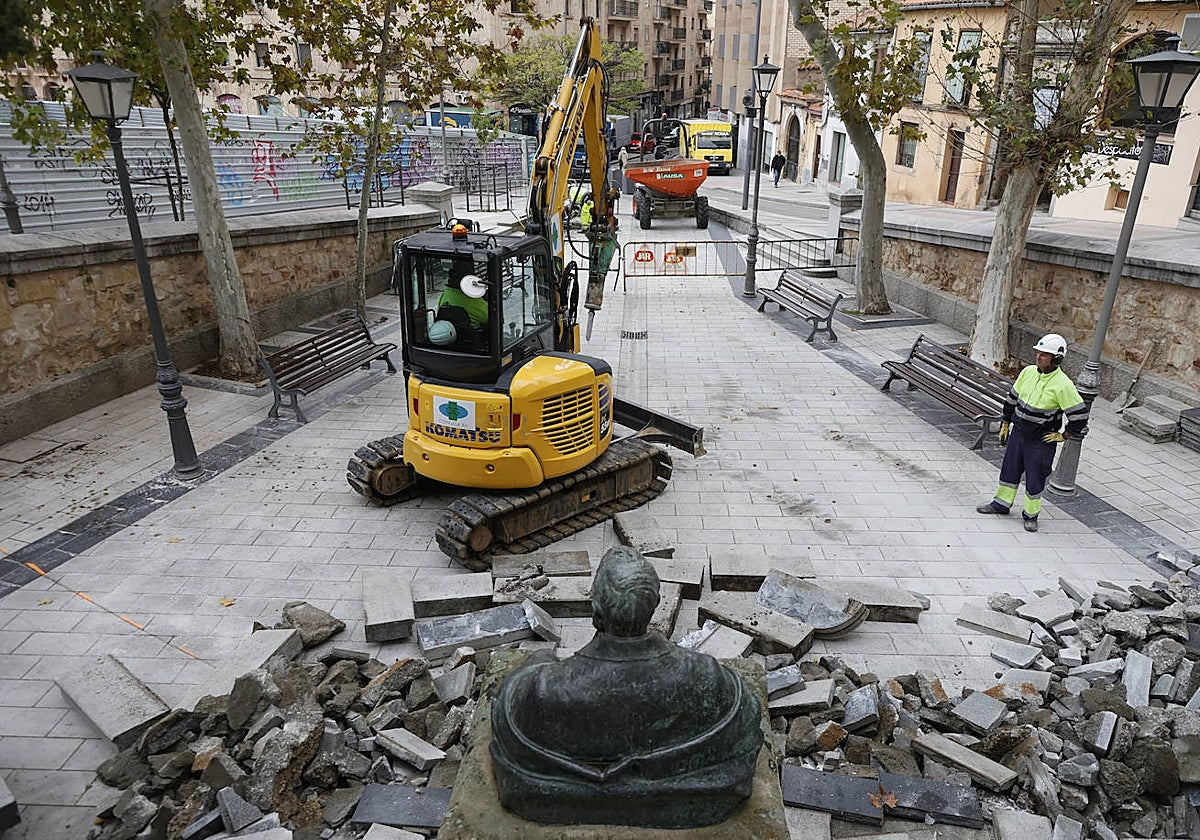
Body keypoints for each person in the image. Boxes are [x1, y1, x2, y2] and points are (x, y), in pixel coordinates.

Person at [489, 546, 763, 828]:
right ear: (654, 604)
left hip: (553, 801)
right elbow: (749, 719)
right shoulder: (708, 677)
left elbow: (505, 712)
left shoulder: (543, 687)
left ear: (596, 608)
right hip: (693, 802)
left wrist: (540, 658)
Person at [976, 333, 1090, 532]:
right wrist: (1005, 422)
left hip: (1041, 440)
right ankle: (1001, 504)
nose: (1039, 357)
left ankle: (1030, 515)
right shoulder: (1028, 372)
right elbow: (1012, 399)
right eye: (1038, 353)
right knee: (1009, 469)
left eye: (1045, 355)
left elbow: (1079, 416)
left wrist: (1063, 436)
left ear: (1057, 359)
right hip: (1019, 433)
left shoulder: (1063, 385)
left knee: (1035, 476)